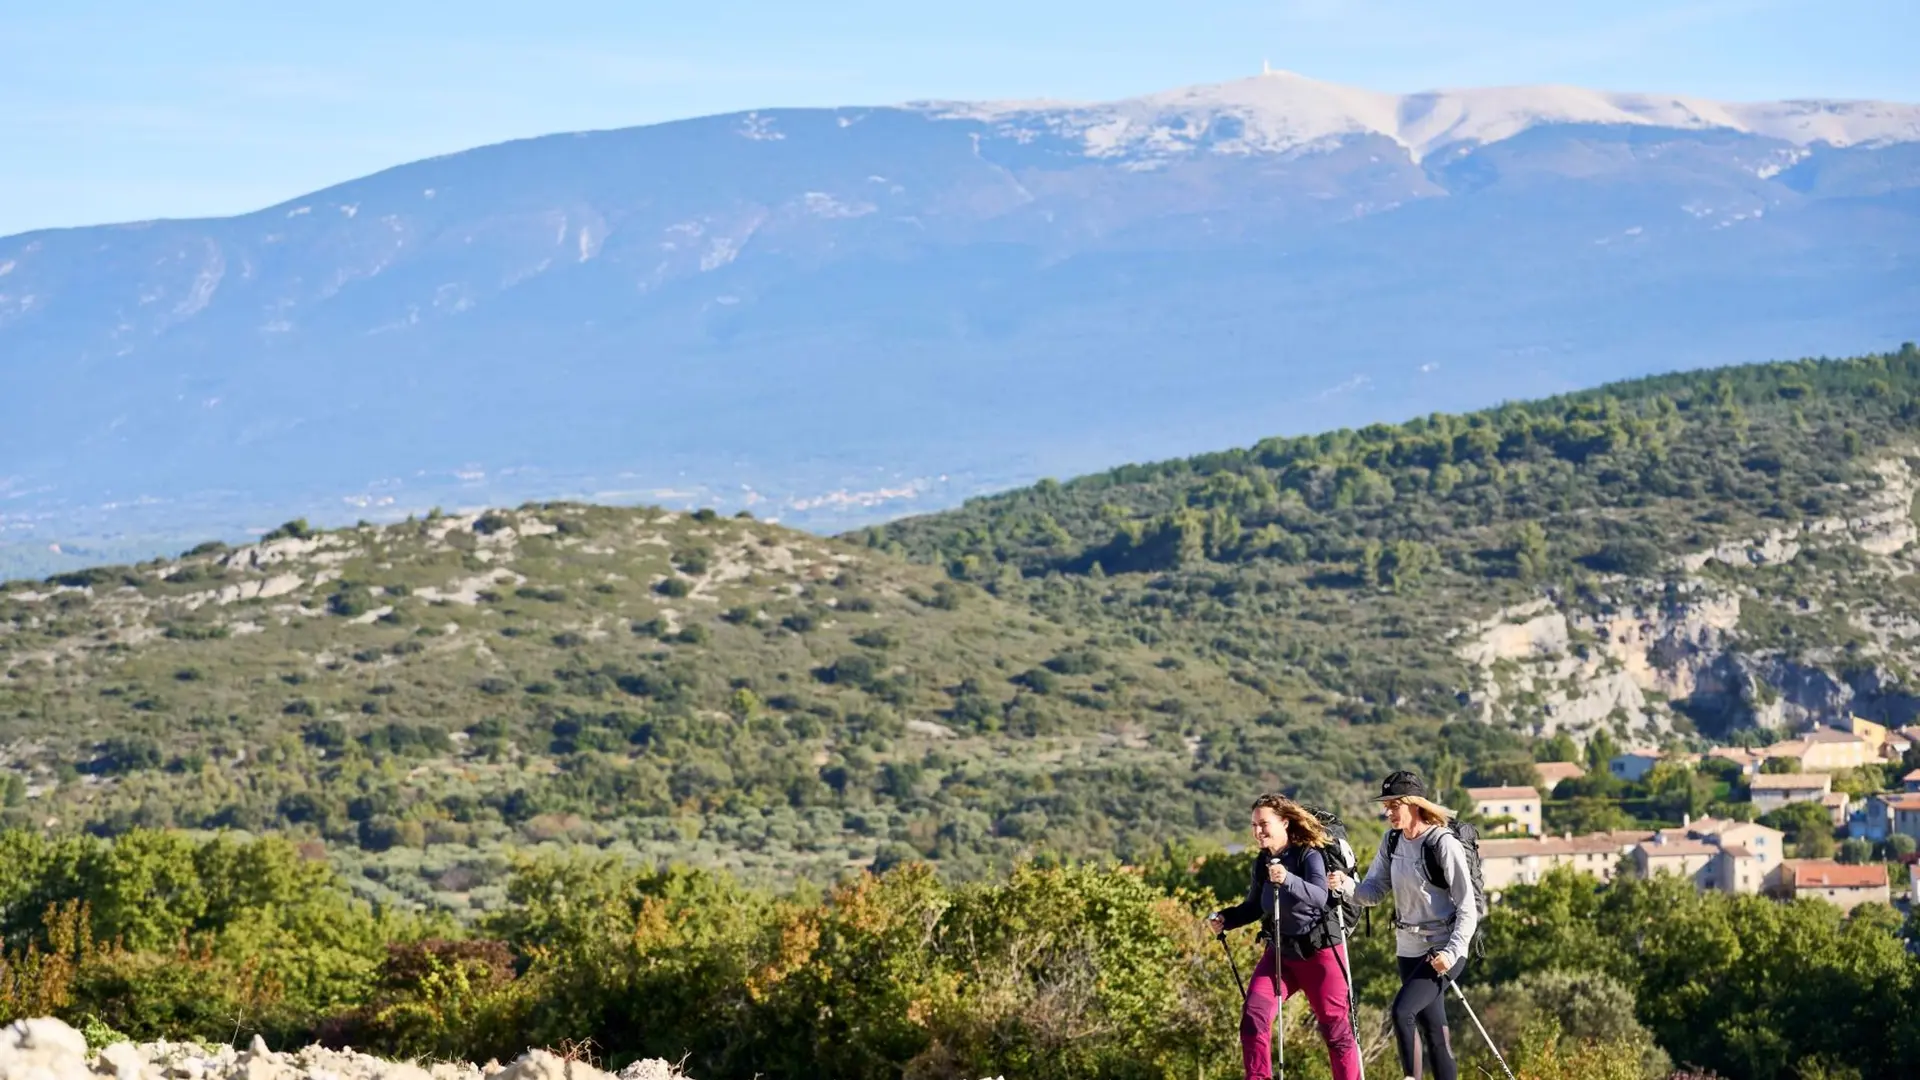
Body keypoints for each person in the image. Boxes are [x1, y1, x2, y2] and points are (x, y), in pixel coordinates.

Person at [1329, 770, 1479, 1080]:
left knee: (1402, 1011)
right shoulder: (1392, 840)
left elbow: (1469, 907)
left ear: (1414, 803)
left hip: (1444, 947)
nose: (1387, 811)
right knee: (1433, 1029)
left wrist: (1451, 953)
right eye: (1386, 804)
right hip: (1407, 947)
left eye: (1394, 804)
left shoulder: (1442, 843)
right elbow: (1372, 893)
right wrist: (1345, 884)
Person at [1207, 793, 1361, 1080]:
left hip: (1321, 954)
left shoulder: (1309, 854)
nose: (1257, 831)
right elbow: (1254, 906)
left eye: (1264, 824)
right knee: (1254, 1016)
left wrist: (1287, 879)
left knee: (1336, 1030)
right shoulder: (1262, 862)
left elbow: (1318, 896)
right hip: (1281, 955)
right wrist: (1226, 918)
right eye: (1254, 825)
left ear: (1285, 823)